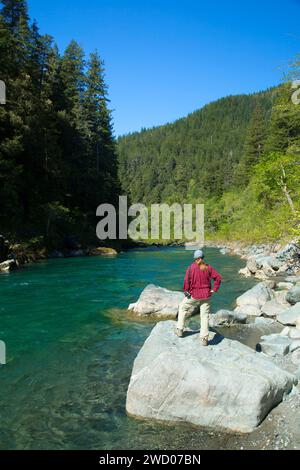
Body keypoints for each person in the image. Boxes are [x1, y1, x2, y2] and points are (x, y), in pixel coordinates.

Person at [176, 249, 222, 346]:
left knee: (182, 307)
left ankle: (180, 329)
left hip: (194, 295)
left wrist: (186, 290)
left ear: (195, 258)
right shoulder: (208, 267)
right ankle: (204, 339)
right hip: (206, 295)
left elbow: (186, 282)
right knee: (204, 316)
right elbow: (218, 278)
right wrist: (214, 289)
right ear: (202, 258)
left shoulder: (190, 268)